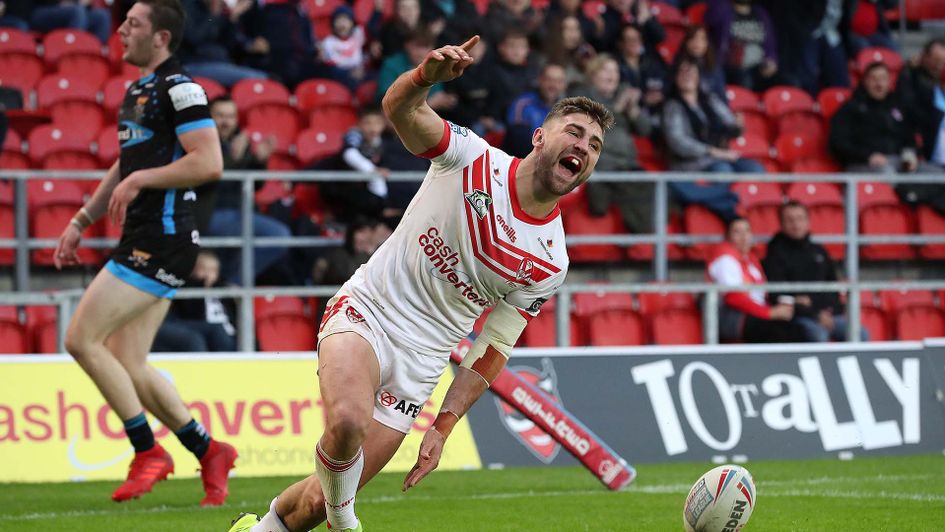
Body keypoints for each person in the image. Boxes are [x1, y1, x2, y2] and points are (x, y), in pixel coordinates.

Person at [228, 35, 613, 532]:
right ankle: (347, 523)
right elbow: (398, 110)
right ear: (540, 136)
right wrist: (423, 79)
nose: (583, 146)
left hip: (422, 363)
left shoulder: (551, 260)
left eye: (594, 145)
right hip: (369, 309)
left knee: (313, 503)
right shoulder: (471, 157)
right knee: (346, 424)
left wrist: (445, 424)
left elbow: (494, 347)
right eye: (574, 132)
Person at [52, 0, 237, 505]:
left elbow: (210, 161)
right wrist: (81, 220)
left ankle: (146, 450)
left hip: (163, 237)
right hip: (145, 235)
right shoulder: (139, 89)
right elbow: (125, 163)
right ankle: (208, 449)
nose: (121, 30)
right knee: (128, 362)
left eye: (133, 24)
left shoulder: (181, 87)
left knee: (81, 338)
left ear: (160, 38)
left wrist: (141, 179)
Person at [202, 94, 292, 286]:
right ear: (208, 117)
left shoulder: (239, 142)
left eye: (231, 117)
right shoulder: (200, 142)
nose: (226, 122)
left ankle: (231, 283)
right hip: (210, 214)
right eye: (220, 116)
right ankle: (233, 285)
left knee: (279, 236)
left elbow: (255, 185)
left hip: (240, 213)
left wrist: (259, 160)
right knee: (278, 235)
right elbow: (210, 179)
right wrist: (235, 158)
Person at [663, 59, 762, 221]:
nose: (687, 75)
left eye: (692, 71)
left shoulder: (709, 100)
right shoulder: (672, 106)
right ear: (675, 78)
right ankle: (733, 210)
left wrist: (738, 126)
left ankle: (729, 200)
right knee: (723, 171)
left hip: (721, 155)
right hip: (693, 162)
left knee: (757, 170)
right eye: (683, 72)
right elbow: (678, 142)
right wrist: (712, 151)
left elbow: (730, 126)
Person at [569, 54, 654, 233]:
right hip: (603, 164)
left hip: (628, 165)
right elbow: (592, 127)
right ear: (592, 74)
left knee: (658, 189)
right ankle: (642, 238)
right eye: (605, 70)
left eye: (615, 71)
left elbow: (645, 129)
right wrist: (618, 107)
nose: (612, 75)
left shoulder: (623, 95)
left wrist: (634, 111)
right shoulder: (582, 96)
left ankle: (647, 241)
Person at [763, 201, 868, 342]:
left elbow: (833, 287)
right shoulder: (774, 254)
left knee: (860, 333)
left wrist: (826, 310)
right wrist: (814, 314)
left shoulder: (819, 251)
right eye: (790, 220)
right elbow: (777, 295)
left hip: (826, 312)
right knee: (817, 335)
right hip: (797, 317)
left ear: (808, 222)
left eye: (800, 219)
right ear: (781, 224)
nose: (796, 224)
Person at [706, 217, 804, 343]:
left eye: (747, 231)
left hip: (755, 313)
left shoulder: (750, 259)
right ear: (727, 237)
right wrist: (770, 313)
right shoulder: (725, 260)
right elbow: (733, 297)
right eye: (737, 232)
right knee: (779, 332)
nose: (744, 237)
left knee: (799, 328)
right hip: (734, 318)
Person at [828, 62, 937, 174]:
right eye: (874, 79)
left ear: (889, 81)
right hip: (862, 163)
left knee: (936, 173)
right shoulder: (851, 108)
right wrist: (868, 156)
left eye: (883, 78)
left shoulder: (898, 106)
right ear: (865, 81)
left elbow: (910, 139)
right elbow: (838, 143)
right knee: (887, 172)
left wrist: (910, 156)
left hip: (898, 162)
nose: (879, 83)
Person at [152, 250, 238, 352]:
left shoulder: (224, 291)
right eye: (203, 269)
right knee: (208, 334)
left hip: (227, 333)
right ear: (193, 269)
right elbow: (189, 315)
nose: (208, 274)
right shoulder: (186, 288)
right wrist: (200, 284)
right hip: (204, 330)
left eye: (213, 270)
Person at [704, 0, 782, 92]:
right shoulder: (723, 9)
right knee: (744, 78)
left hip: (758, 68)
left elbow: (770, 41)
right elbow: (709, 19)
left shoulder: (760, 13)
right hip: (729, 67)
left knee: (786, 80)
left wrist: (771, 60)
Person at [504, 62, 569, 157]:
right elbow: (518, 142)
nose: (553, 85)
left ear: (564, 85)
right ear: (540, 80)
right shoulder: (523, 104)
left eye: (558, 81)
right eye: (549, 80)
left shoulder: (567, 110)